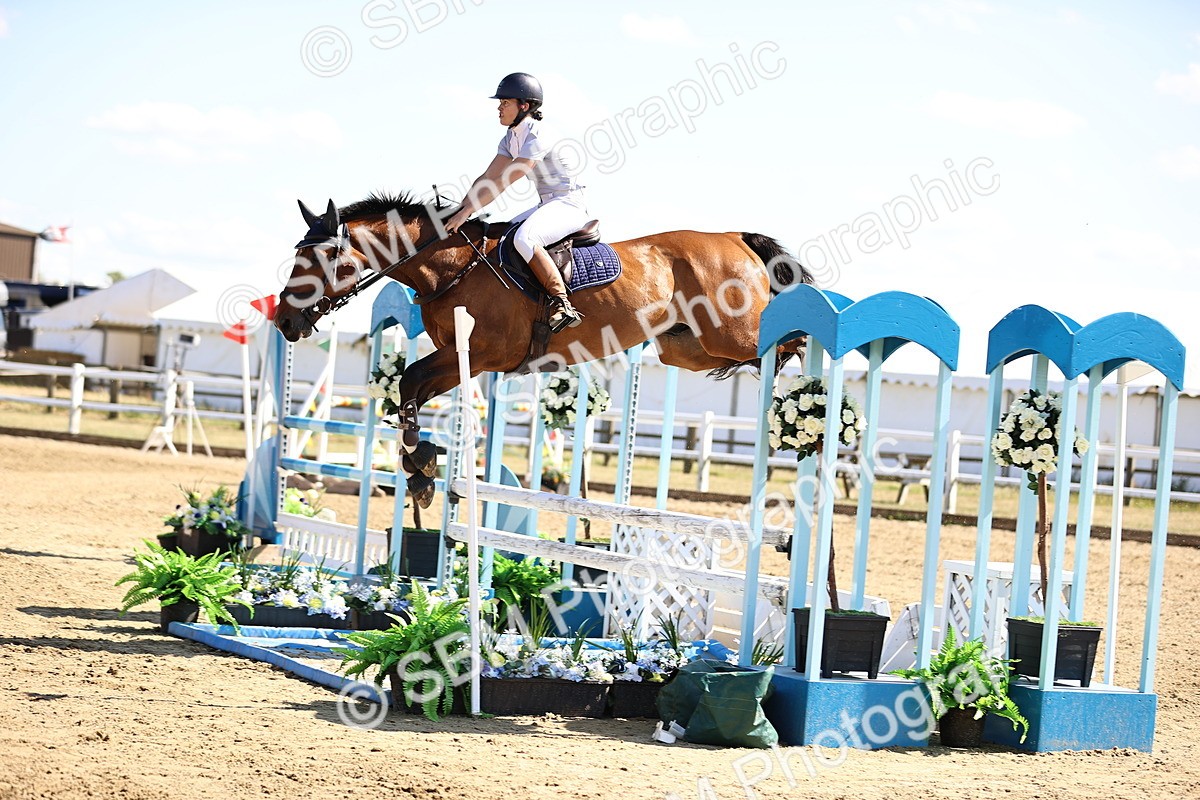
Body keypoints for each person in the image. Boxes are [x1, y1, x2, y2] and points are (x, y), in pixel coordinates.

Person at [445, 72, 586, 332]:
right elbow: (488, 176)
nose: (499, 108)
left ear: (524, 106)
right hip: (547, 204)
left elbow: (506, 179)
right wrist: (459, 208)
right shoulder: (511, 137)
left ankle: (562, 304)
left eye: (505, 102)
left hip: (568, 205)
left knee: (525, 240)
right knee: (504, 236)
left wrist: (468, 212)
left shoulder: (539, 134)